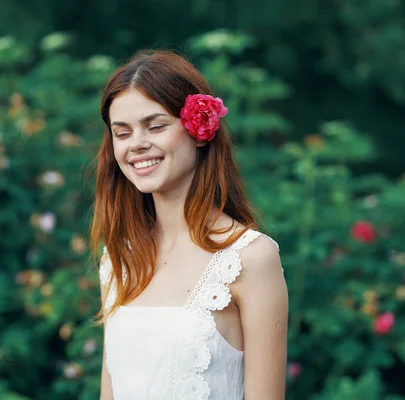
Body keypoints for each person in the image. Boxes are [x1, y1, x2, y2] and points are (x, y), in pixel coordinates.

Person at [90, 49, 289, 400]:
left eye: (155, 126)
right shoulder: (119, 257)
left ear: (199, 131)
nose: (137, 144)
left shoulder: (250, 258)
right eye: (122, 133)